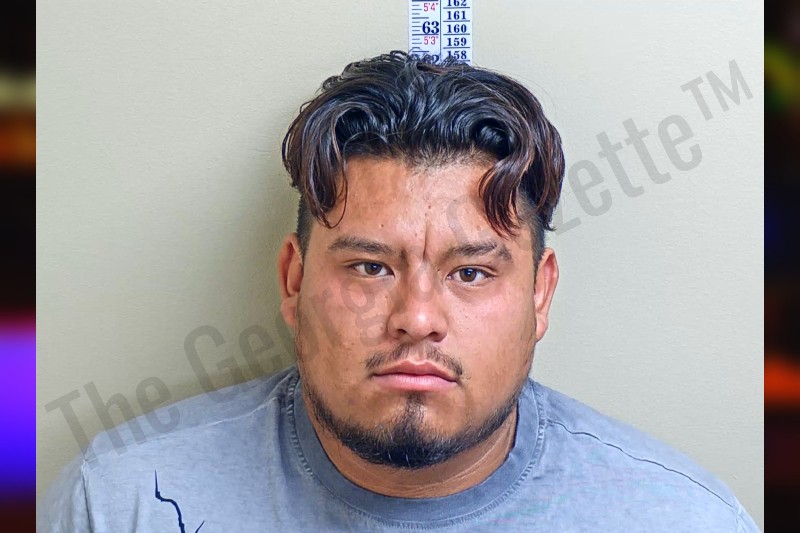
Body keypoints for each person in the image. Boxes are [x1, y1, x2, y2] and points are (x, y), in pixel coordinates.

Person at [39, 51, 759, 532]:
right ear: (294, 280)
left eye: (470, 272)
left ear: (540, 296)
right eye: (369, 267)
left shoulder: (683, 520)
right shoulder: (124, 504)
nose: (416, 317)